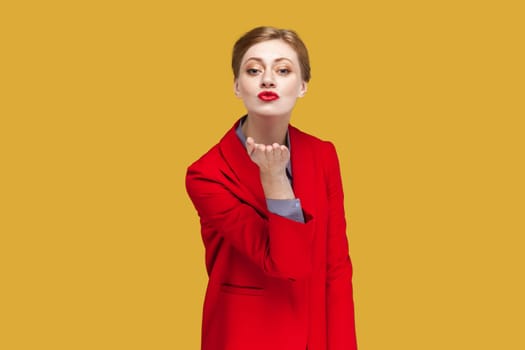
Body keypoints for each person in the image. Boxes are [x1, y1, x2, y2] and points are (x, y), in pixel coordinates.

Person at [185, 26, 357, 350]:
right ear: (237, 86)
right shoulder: (206, 174)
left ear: (303, 86)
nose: (267, 79)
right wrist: (275, 178)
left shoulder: (323, 155)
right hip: (245, 336)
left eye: (283, 69)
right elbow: (285, 264)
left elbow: (336, 270)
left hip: (314, 335)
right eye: (253, 70)